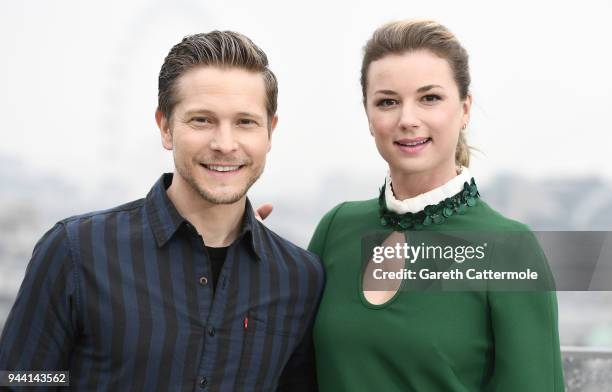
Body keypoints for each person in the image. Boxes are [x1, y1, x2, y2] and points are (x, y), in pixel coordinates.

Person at [0, 31, 323, 391]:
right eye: (202, 120)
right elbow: (21, 379)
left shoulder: (299, 278)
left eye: (245, 122)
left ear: (270, 131)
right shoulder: (76, 251)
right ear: (165, 127)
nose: (225, 144)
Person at [306, 20, 565, 391]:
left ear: (465, 109)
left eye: (429, 98)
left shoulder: (511, 250)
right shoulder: (335, 229)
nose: (408, 119)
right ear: (368, 115)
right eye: (388, 101)